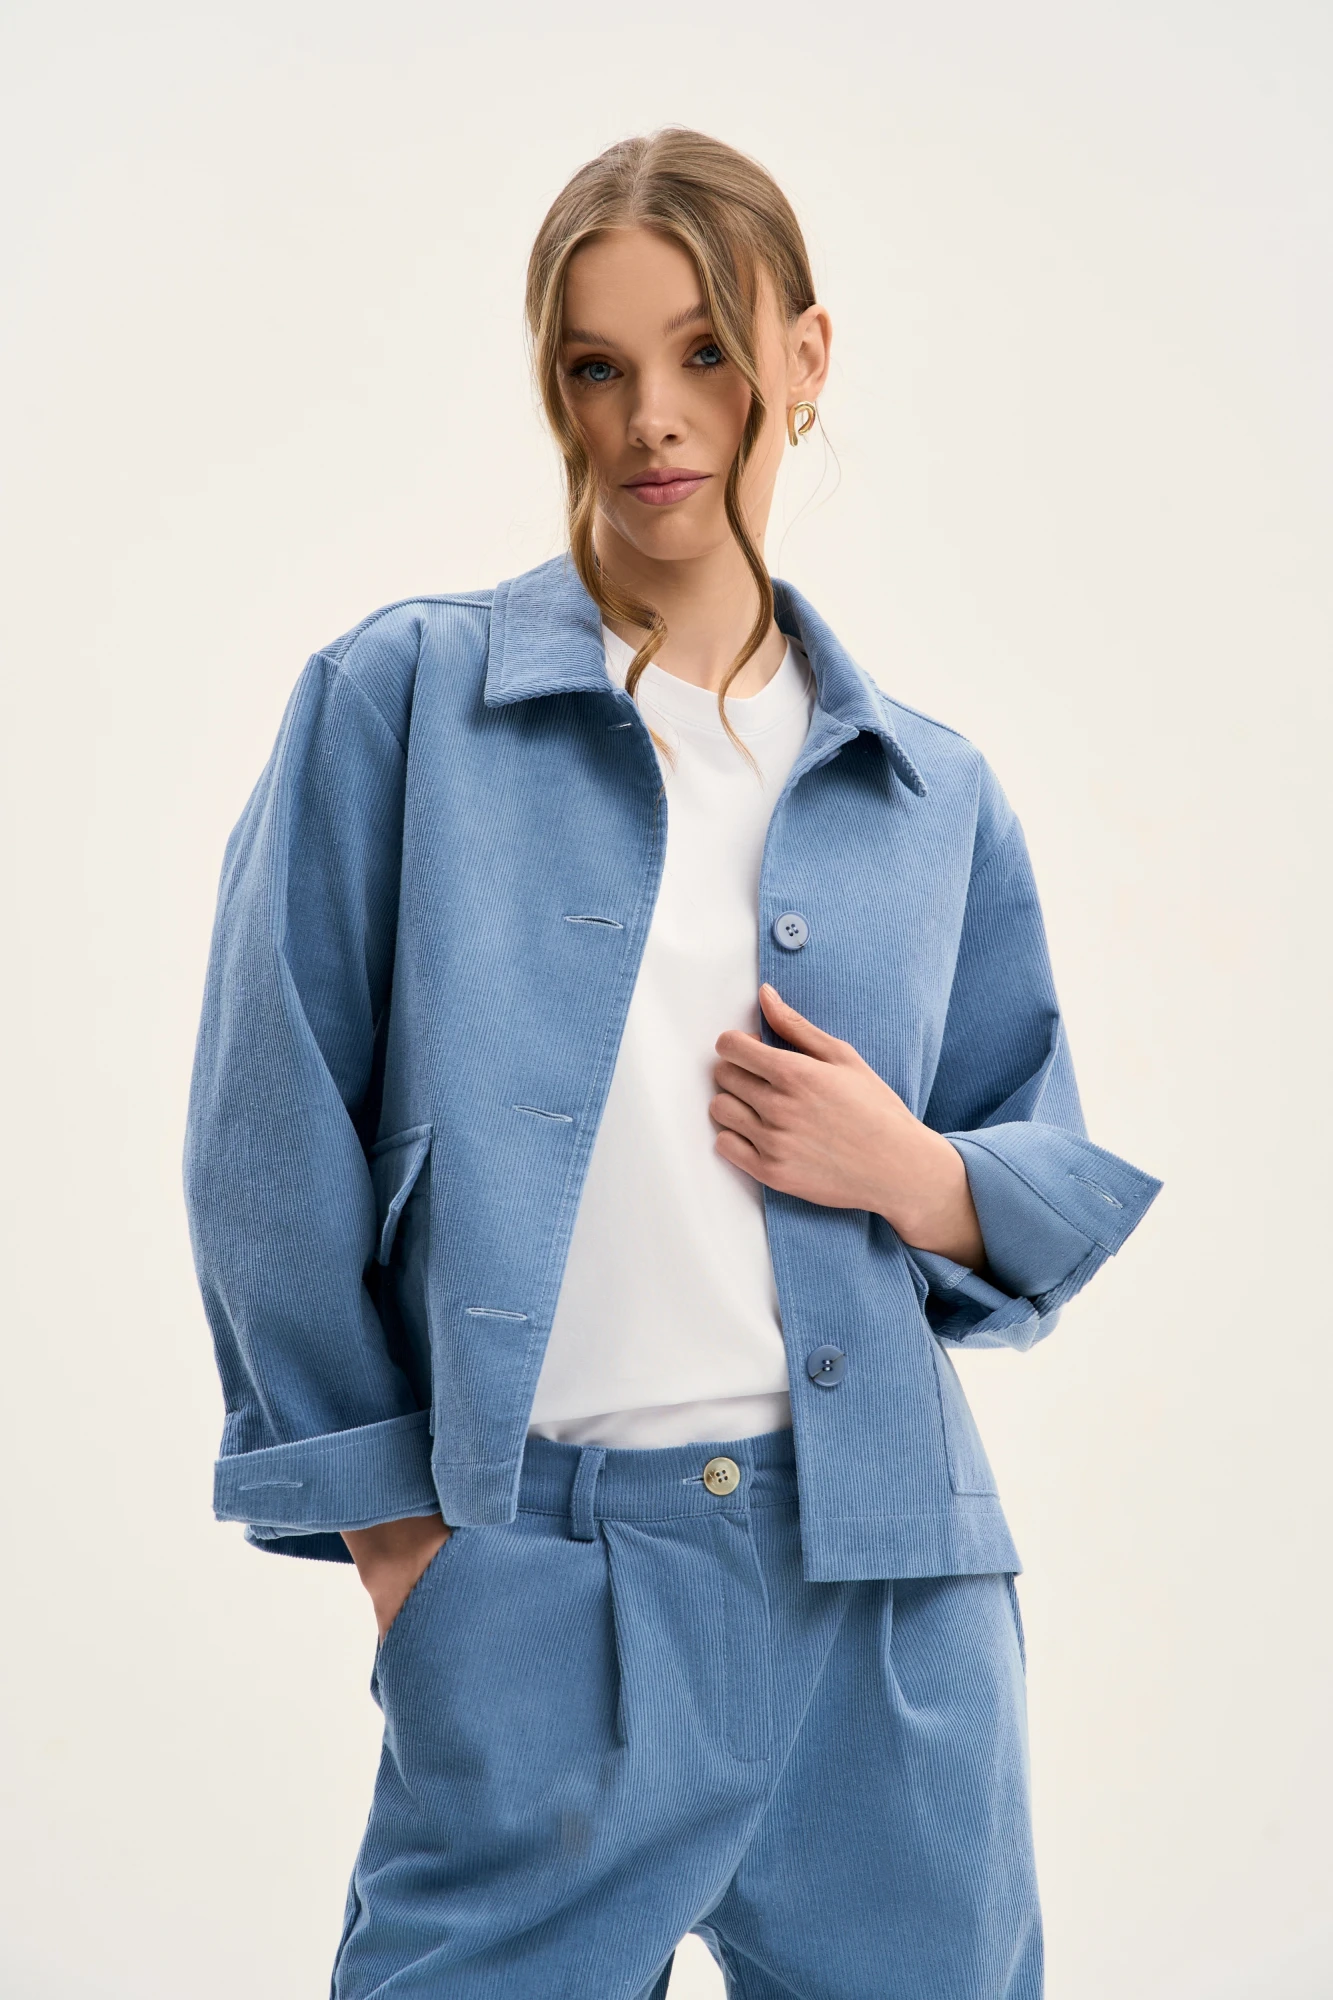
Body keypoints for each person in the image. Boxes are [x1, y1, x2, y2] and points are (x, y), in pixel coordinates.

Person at [184, 128, 1161, 2000]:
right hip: (537, 1595)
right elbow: (263, 1133)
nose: (654, 417)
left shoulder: (931, 792)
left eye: (707, 351)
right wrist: (402, 1546)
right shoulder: (403, 703)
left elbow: (1030, 1156)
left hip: (890, 1609)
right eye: (597, 365)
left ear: (805, 356)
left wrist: (910, 1169)